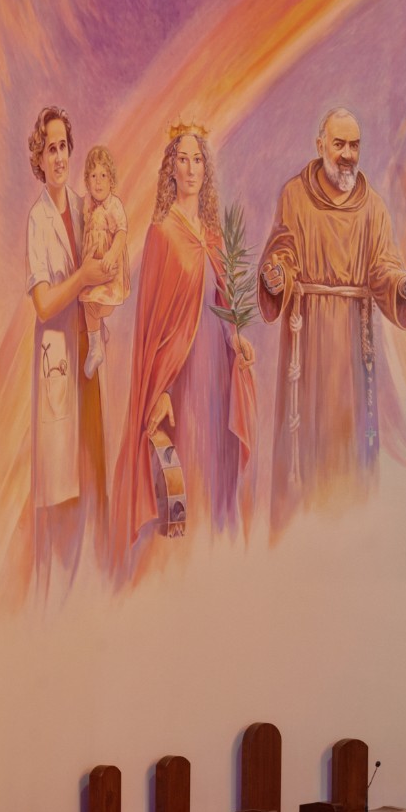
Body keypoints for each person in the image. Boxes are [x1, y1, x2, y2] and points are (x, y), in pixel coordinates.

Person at [258, 108, 406, 533]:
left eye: (355, 145)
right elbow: (281, 252)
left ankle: (353, 539)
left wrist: (403, 285)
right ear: (320, 145)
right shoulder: (294, 196)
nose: (348, 154)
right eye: (339, 144)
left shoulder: (373, 208)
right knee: (305, 447)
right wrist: (276, 274)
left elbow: (384, 268)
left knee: (351, 447)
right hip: (308, 340)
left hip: (354, 348)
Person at [109, 124, 258, 554]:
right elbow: (153, 327)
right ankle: (183, 565)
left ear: (205, 170)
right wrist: (160, 388)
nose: (191, 169)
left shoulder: (212, 236)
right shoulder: (162, 233)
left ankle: (214, 558)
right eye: (183, 159)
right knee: (187, 467)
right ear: (170, 168)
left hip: (217, 374)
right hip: (182, 378)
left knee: (215, 466)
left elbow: (222, 303)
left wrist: (237, 337)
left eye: (198, 161)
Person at [24, 106, 114, 589]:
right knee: (61, 480)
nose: (59, 157)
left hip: (87, 355)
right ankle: (61, 590)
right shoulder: (38, 221)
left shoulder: (84, 207)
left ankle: (97, 583)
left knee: (92, 465)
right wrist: (82, 279)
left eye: (63, 147)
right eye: (50, 149)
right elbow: (43, 305)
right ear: (39, 159)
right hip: (58, 358)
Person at [79, 145, 130, 379]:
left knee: (102, 305)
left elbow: (121, 233)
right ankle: (95, 346)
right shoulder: (87, 204)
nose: (98, 182)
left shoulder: (114, 205)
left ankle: (98, 331)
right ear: (87, 180)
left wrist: (111, 255)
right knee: (88, 302)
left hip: (109, 269)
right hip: (92, 269)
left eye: (103, 175)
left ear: (111, 180)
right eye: (93, 176)